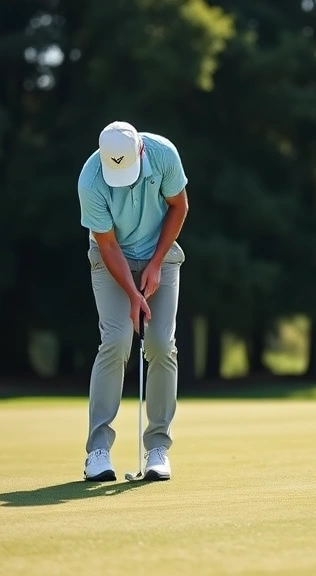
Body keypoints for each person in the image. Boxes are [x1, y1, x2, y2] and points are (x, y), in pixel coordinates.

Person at [76, 120, 189, 482]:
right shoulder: (90, 180)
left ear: (140, 151)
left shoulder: (164, 154)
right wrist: (132, 293)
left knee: (161, 344)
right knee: (116, 341)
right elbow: (107, 244)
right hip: (112, 259)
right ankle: (97, 451)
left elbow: (179, 206)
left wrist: (156, 264)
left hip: (160, 255)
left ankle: (158, 448)